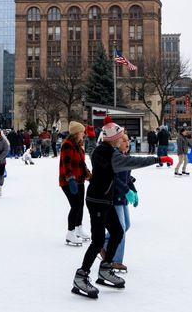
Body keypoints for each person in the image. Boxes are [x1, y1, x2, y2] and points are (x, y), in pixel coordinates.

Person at [71, 121, 163, 299]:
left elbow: (93, 148)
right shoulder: (110, 155)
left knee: (118, 231)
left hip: (105, 199)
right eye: (120, 136)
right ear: (114, 138)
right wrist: (157, 159)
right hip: (98, 200)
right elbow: (132, 162)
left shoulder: (102, 150)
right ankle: (80, 276)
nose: (123, 139)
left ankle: (105, 268)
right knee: (97, 241)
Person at [102, 133, 136, 273]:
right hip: (114, 197)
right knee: (120, 230)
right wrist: (127, 190)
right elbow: (114, 179)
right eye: (124, 141)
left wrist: (134, 190)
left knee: (126, 226)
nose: (127, 143)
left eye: (128, 141)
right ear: (117, 142)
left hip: (123, 198)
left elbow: (128, 178)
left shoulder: (125, 157)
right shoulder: (115, 158)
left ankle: (102, 243)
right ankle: (116, 260)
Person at [59, 121, 91, 246]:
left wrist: (89, 175)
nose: (84, 134)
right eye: (82, 132)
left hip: (79, 180)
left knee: (80, 205)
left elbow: (82, 164)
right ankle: (70, 233)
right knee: (76, 205)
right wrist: (70, 179)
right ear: (76, 133)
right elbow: (66, 163)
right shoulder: (67, 145)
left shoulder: (78, 145)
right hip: (68, 181)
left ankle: (78, 228)